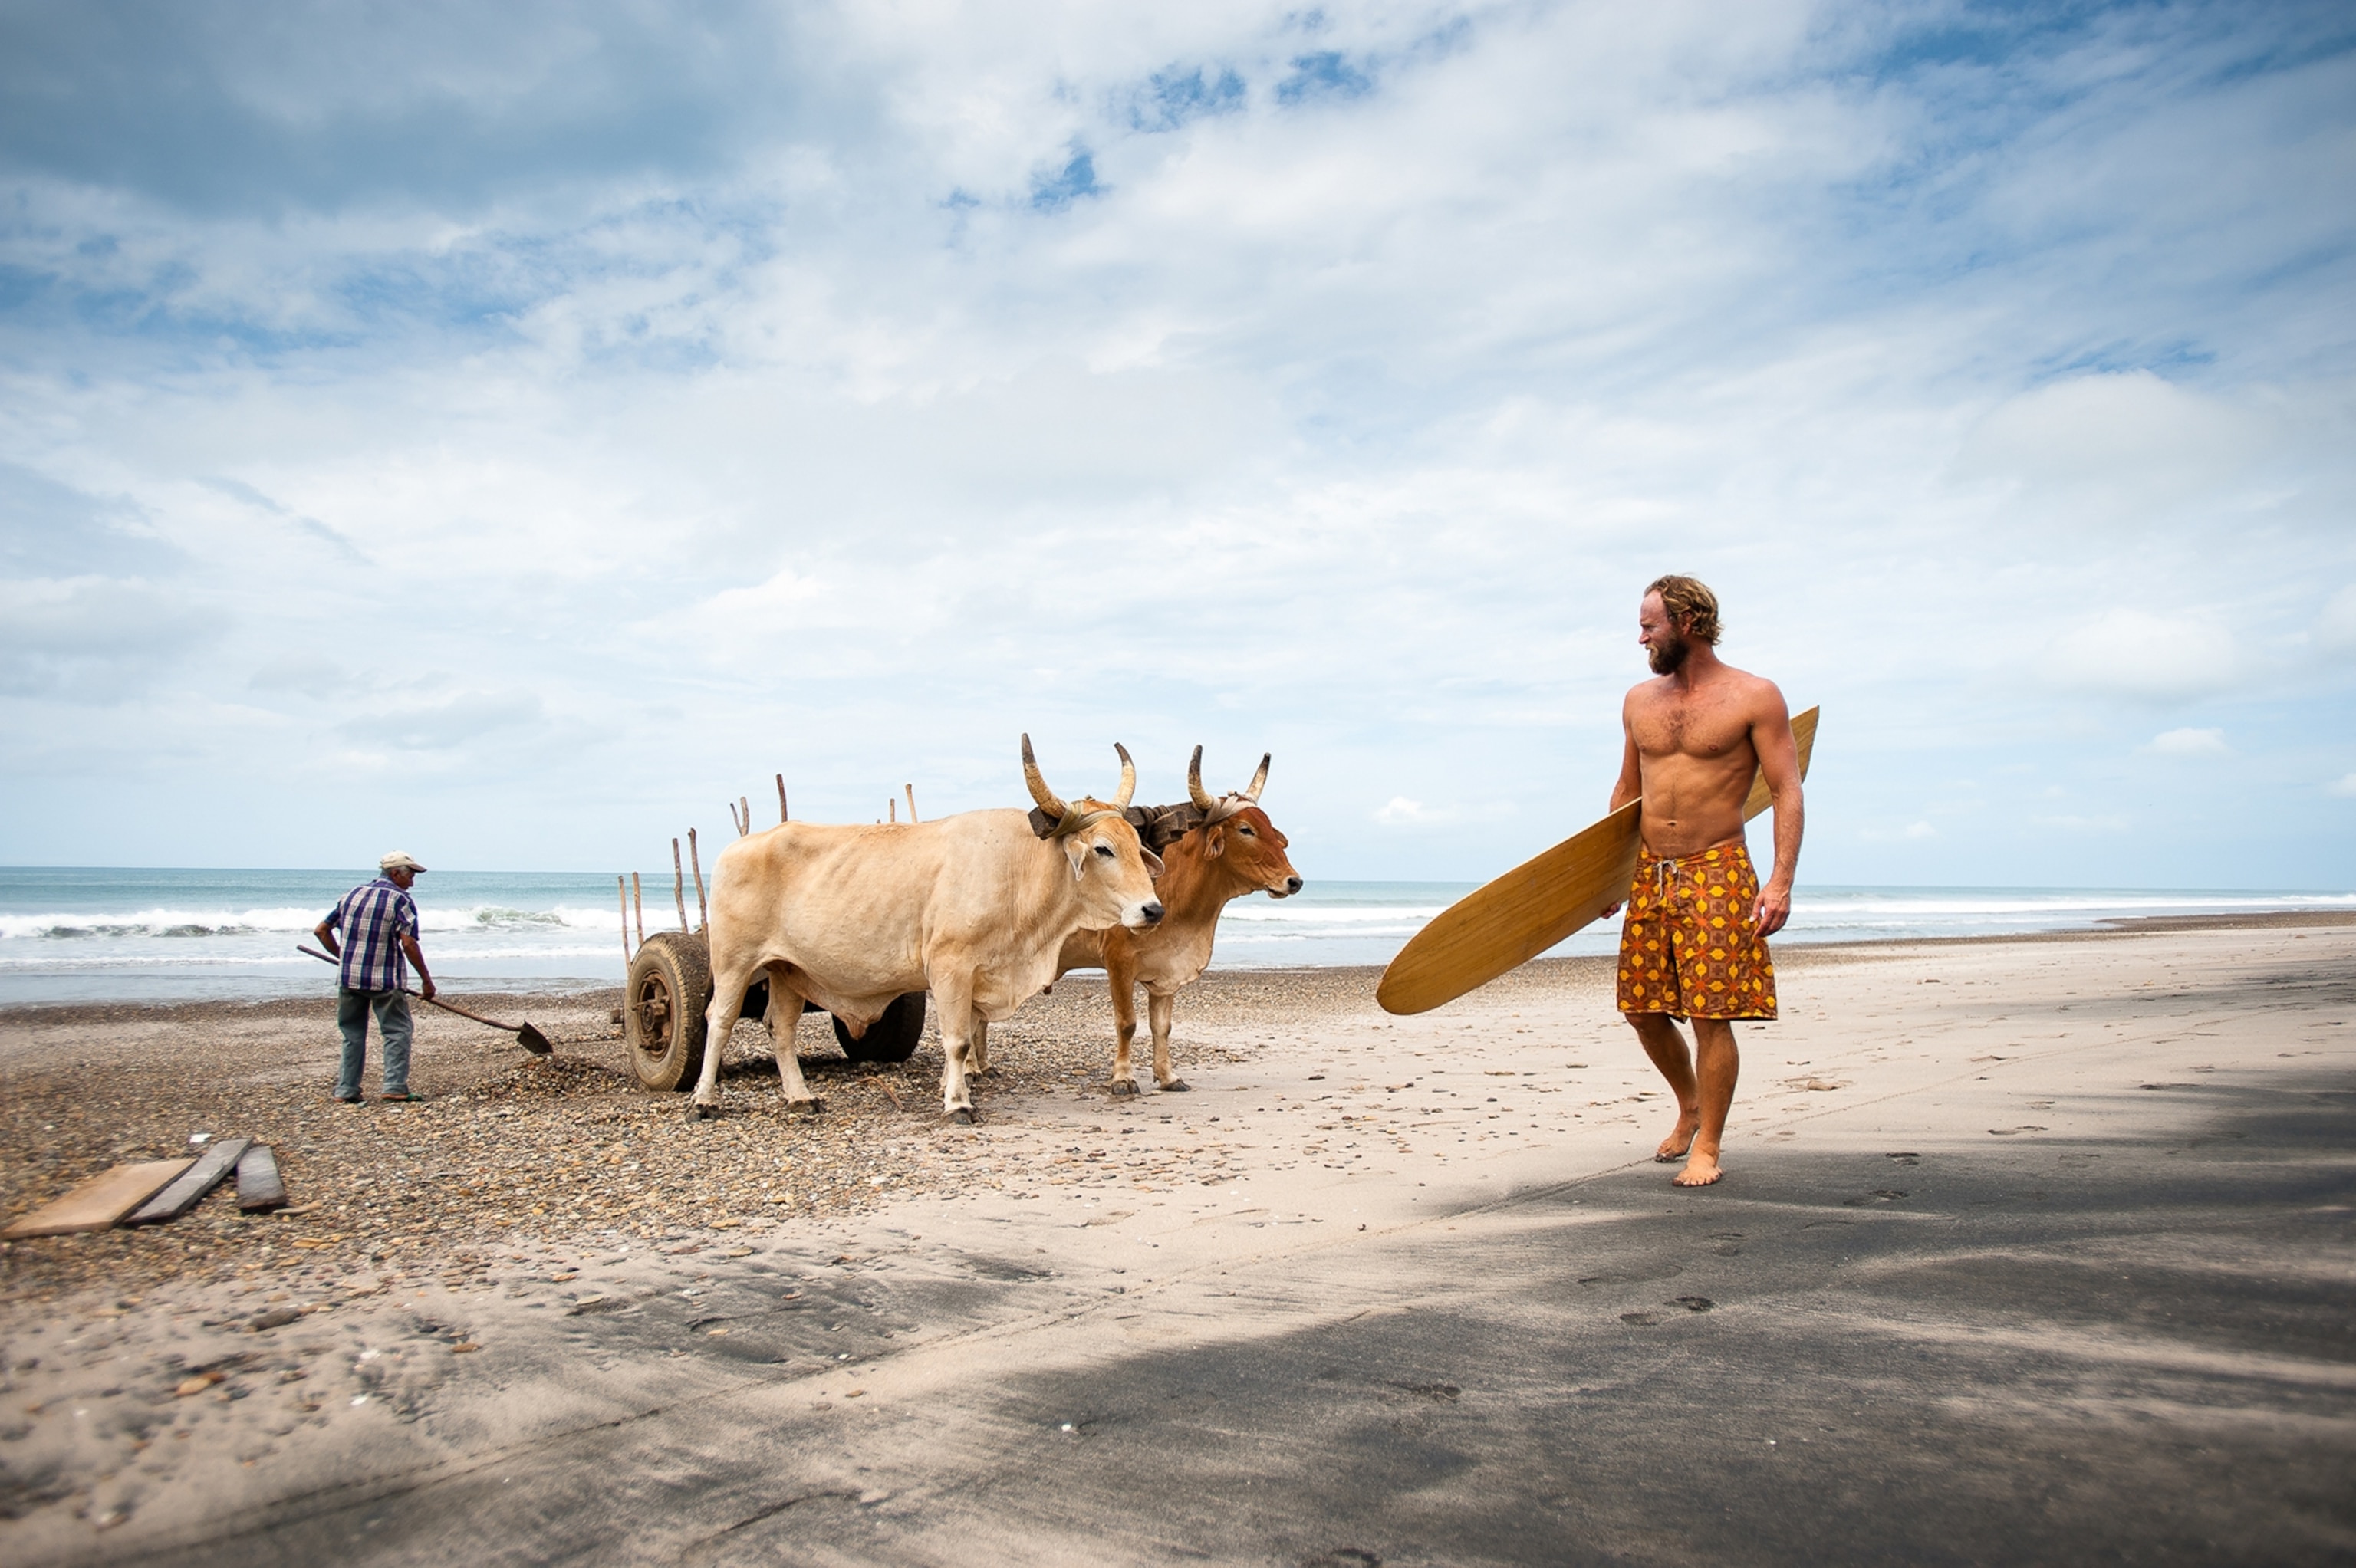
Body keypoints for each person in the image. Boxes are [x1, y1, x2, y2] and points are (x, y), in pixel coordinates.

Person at [1606, 576, 1804, 1187]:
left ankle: (1709, 1145)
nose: (1640, 636)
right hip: (1651, 871)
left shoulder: (1755, 695)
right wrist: (1599, 879)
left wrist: (1779, 882)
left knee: (1709, 1015)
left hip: (1716, 868)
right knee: (1641, 1008)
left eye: (1650, 625)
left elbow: (1786, 789)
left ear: (1688, 622)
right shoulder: (1639, 699)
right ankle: (1689, 1104)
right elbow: (1626, 791)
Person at [314, 852, 437, 1103]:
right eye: (410, 875)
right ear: (395, 874)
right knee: (397, 1031)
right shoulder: (400, 900)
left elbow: (321, 931)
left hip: (350, 978)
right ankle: (394, 1086)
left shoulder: (351, 895)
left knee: (352, 1034)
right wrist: (426, 980)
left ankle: (346, 1090)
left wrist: (344, 958)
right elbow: (409, 943)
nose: (412, 882)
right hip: (385, 980)